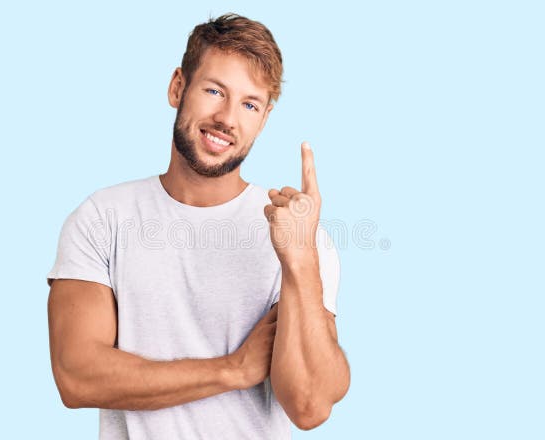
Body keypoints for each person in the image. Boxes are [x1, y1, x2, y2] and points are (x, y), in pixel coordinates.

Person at [46, 13, 350, 439]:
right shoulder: (102, 218)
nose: (227, 118)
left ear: (263, 119)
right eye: (213, 90)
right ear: (177, 87)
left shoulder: (298, 234)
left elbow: (310, 404)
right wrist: (232, 369)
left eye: (249, 104)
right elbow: (77, 377)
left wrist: (300, 263)